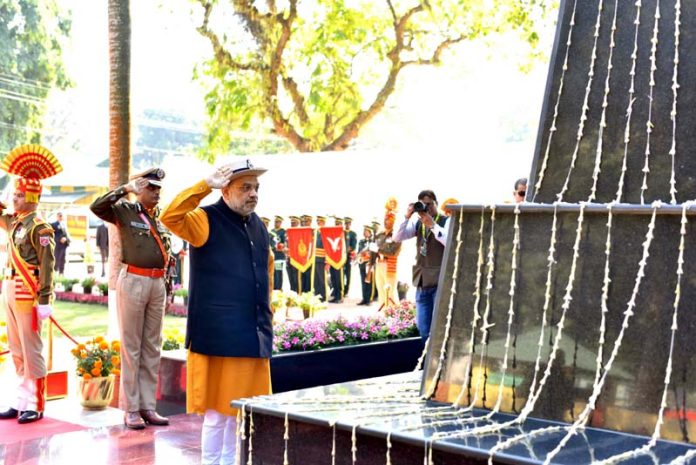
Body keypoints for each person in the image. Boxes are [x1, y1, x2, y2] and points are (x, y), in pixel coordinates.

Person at [159, 159, 273, 465]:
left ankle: (230, 461)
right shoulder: (205, 219)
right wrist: (202, 186)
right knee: (216, 414)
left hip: (252, 333)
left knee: (238, 412)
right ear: (225, 190)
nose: (253, 194)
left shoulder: (258, 225)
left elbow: (266, 273)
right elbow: (170, 216)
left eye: (256, 188)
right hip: (218, 334)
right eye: (245, 188)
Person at [90, 167, 172, 430]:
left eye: (158, 188)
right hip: (134, 280)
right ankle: (131, 408)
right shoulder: (126, 211)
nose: (156, 192)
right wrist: (125, 188)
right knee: (132, 347)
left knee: (152, 346)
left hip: (157, 283)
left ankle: (148, 406)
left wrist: (167, 287)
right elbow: (97, 207)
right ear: (140, 188)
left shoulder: (159, 220)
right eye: (151, 187)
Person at [0, 144, 60, 424]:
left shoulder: (40, 228)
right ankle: (19, 401)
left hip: (28, 293)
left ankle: (35, 404)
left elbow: (48, 267)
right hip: (9, 290)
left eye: (20, 194)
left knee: (31, 349)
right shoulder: (15, 222)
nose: (14, 198)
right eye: (14, 193)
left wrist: (45, 300)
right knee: (16, 348)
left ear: (33, 196)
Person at [393, 189, 449, 340]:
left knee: (439, 327)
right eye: (423, 205)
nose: (427, 208)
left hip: (440, 281)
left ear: (436, 204)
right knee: (423, 329)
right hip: (422, 281)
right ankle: (427, 359)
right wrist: (406, 216)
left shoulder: (446, 221)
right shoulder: (418, 223)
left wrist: (432, 224)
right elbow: (397, 237)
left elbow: (448, 241)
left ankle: (436, 361)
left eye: (429, 204)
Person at [371, 198, 401, 308]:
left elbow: (393, 251)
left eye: (389, 219)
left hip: (390, 264)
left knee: (391, 291)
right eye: (385, 219)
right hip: (379, 264)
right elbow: (374, 248)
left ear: (393, 221)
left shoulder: (396, 235)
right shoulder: (380, 234)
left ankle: (394, 315)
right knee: (381, 289)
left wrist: (378, 249)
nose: (386, 221)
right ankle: (383, 313)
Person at [356, 225, 375, 305]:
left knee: (369, 282)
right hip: (362, 264)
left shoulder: (373, 242)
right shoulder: (361, 241)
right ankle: (364, 298)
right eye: (364, 231)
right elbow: (359, 251)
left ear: (370, 233)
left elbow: (373, 252)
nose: (365, 233)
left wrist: (367, 254)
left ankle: (369, 299)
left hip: (369, 264)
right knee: (363, 281)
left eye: (366, 231)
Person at [328, 216, 344, 303]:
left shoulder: (343, 233)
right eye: (336, 223)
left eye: (339, 223)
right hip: (332, 259)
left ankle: (340, 297)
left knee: (339, 279)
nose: (337, 225)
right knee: (333, 278)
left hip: (340, 260)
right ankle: (335, 296)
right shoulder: (333, 233)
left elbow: (345, 248)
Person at [314, 215, 328, 301]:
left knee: (322, 280)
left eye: (320, 222)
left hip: (322, 259)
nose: (318, 223)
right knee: (316, 280)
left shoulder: (326, 232)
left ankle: (323, 297)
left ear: (324, 223)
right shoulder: (316, 232)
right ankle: (318, 296)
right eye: (318, 222)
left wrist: (327, 262)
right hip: (315, 259)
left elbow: (328, 248)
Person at [271, 215, 286, 291]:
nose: (276, 223)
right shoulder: (272, 231)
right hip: (273, 255)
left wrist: (282, 246)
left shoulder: (283, 231)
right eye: (275, 222)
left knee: (278, 272)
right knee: (273, 271)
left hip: (279, 256)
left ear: (280, 223)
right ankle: (274, 287)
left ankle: (279, 287)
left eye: (277, 222)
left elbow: (285, 242)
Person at [343, 217, 357, 296]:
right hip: (341, 256)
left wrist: (347, 250)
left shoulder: (353, 233)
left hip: (348, 256)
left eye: (348, 223)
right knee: (341, 274)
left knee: (347, 273)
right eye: (346, 223)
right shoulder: (342, 232)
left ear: (350, 224)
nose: (347, 225)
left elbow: (353, 246)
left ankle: (346, 290)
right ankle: (341, 288)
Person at [286, 215, 300, 292]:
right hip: (288, 258)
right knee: (290, 277)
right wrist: (284, 248)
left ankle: (298, 292)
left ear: (298, 223)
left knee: (296, 277)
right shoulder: (288, 232)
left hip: (296, 258)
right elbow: (285, 243)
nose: (292, 224)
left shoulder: (300, 232)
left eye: (294, 222)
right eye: (291, 222)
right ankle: (293, 291)